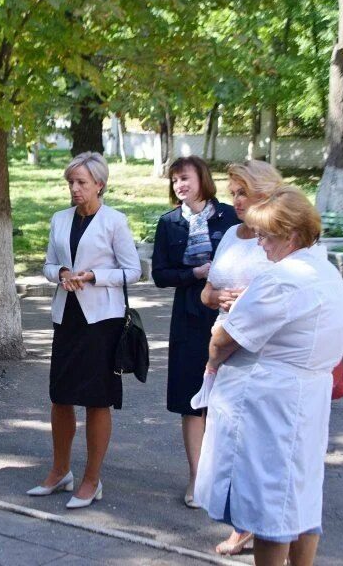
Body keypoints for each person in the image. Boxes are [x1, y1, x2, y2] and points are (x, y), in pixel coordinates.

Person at [194, 186, 343, 566]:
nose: (260, 244)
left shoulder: (283, 278)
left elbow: (226, 336)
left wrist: (213, 357)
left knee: (269, 509)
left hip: (268, 399)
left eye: (266, 236)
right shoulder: (323, 269)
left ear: (291, 236)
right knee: (301, 498)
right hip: (304, 395)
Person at [29, 151, 142, 509]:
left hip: (102, 322)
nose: (74, 189)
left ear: (100, 185)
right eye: (71, 183)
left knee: (96, 399)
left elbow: (134, 271)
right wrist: (61, 274)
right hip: (67, 317)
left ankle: (92, 479)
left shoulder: (115, 221)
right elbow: (49, 264)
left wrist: (95, 276)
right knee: (59, 396)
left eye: (81, 183)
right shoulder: (60, 219)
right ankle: (60, 471)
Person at [194, 159, 284, 555]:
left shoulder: (281, 239)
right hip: (223, 345)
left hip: (262, 352)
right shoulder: (231, 233)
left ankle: (269, 529)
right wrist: (218, 297)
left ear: (267, 192)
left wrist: (247, 301)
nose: (236, 201)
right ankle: (242, 525)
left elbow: (285, 295)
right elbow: (207, 292)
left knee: (257, 445)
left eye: (243, 192)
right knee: (229, 441)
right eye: (232, 193)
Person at [151, 155, 239, 509]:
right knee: (192, 399)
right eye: (174, 180)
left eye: (184, 178)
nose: (179, 185)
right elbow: (160, 274)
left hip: (230, 313)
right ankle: (196, 478)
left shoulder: (230, 216)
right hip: (188, 315)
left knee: (230, 399)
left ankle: (228, 479)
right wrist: (195, 274)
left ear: (202, 179)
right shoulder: (169, 222)